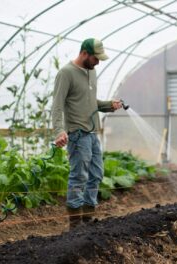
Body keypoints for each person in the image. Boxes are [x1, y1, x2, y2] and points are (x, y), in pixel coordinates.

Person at [51, 38, 123, 228]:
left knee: (96, 174)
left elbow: (91, 102)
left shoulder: (92, 72)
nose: (98, 62)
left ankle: (88, 218)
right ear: (84, 53)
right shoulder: (66, 74)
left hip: (92, 134)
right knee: (79, 176)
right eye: (95, 58)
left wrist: (109, 105)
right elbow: (57, 106)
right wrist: (59, 131)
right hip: (77, 134)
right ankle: (75, 224)